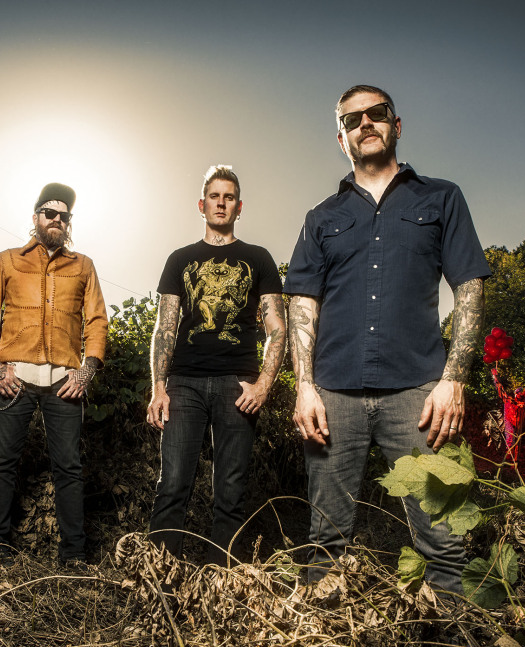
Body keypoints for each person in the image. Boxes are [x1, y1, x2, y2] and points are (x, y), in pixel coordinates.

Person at [284, 85, 491, 592]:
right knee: (325, 541)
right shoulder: (321, 217)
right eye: (352, 120)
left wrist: (454, 380)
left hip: (419, 396)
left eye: (377, 114)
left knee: (442, 541)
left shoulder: (441, 198)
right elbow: (302, 306)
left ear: (397, 125)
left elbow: (469, 288)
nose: (365, 124)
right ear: (342, 139)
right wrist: (304, 387)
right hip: (333, 395)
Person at [146, 165, 286, 566]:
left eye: (228, 197)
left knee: (230, 489)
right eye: (214, 196)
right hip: (184, 384)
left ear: (239, 207)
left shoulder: (257, 259)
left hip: (236, 386)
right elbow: (165, 328)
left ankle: (218, 584)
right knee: (172, 484)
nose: (220, 203)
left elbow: (278, 329)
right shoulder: (181, 259)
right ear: (201, 204)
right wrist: (159, 386)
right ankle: (158, 580)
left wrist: (262, 385)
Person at [0, 183, 108, 565]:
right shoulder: (8, 260)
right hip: (12, 379)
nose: (58, 220)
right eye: (50, 213)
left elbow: (97, 321)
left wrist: (86, 373)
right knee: (3, 462)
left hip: (65, 383)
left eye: (64, 216)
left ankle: (74, 554)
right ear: (35, 218)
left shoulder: (83, 265)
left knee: (68, 466)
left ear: (69, 224)